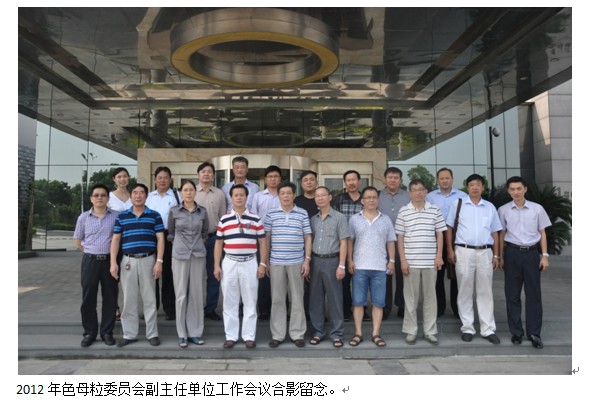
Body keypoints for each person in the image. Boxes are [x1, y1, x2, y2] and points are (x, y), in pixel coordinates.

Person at [446, 174, 503, 344]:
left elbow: (495, 231)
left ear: (483, 187)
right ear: (467, 187)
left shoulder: (490, 207)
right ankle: (467, 328)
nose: (475, 188)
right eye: (471, 185)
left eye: (478, 185)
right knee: (464, 290)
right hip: (464, 251)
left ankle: (487, 329)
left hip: (485, 252)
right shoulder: (458, 204)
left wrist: (496, 255)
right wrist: (450, 250)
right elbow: (449, 228)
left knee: (485, 291)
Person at [498, 176, 551, 349]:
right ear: (508, 191)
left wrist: (544, 255)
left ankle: (534, 333)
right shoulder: (503, 210)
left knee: (533, 294)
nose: (516, 192)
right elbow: (501, 234)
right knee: (512, 295)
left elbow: (542, 233)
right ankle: (516, 332)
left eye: (519, 188)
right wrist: (500, 257)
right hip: (512, 253)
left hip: (531, 254)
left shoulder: (537, 209)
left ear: (525, 189)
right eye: (512, 189)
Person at [110, 183, 165, 347]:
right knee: (129, 299)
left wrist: (159, 261)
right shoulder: (122, 216)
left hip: (149, 260)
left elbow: (160, 239)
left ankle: (152, 334)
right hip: (128, 261)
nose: (138, 195)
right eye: (135, 192)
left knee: (150, 299)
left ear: (146, 196)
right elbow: (116, 240)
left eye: (142, 192)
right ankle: (129, 334)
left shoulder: (154, 215)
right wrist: (113, 262)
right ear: (131, 195)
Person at [214, 184, 267, 349]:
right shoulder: (224, 219)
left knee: (250, 300)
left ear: (246, 197)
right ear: (231, 198)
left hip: (250, 262)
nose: (238, 197)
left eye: (241, 195)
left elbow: (262, 242)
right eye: (235, 195)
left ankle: (249, 336)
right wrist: (216, 265)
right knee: (230, 301)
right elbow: (218, 243)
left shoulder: (255, 218)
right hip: (229, 262)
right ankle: (231, 336)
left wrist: (262, 264)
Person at [395, 179, 446, 345]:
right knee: (410, 299)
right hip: (411, 262)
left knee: (431, 299)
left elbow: (440, 233)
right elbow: (400, 237)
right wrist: (403, 260)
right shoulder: (404, 211)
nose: (417, 192)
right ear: (409, 193)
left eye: (420, 189)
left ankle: (430, 331)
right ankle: (411, 331)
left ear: (426, 192)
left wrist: (439, 256)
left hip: (430, 262)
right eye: (414, 190)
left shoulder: (434, 209)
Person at [264, 181, 312, 348]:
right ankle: (277, 335)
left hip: (297, 262)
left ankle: (297, 334)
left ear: (294, 195)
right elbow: (267, 238)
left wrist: (307, 260)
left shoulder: (302, 213)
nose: (286, 196)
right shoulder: (271, 214)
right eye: (282, 193)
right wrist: (266, 261)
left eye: (289, 193)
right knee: (277, 299)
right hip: (276, 262)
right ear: (278, 196)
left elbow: (307, 237)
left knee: (297, 299)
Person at [347, 186, 396, 348]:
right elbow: (349, 241)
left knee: (378, 303)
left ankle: (376, 333)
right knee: (358, 302)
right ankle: (358, 333)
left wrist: (392, 261)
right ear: (362, 201)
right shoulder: (354, 219)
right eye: (368, 197)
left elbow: (391, 241)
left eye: (374, 197)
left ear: (378, 200)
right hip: (359, 267)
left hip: (380, 267)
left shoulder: (385, 219)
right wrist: (349, 260)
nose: (371, 200)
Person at [73, 184, 119, 347]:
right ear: (91, 198)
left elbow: (118, 239)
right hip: (90, 261)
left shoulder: (116, 216)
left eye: (103, 195)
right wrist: (89, 252)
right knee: (88, 298)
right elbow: (78, 240)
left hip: (109, 261)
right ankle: (89, 332)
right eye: (96, 195)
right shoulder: (84, 217)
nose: (100, 198)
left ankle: (107, 332)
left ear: (108, 198)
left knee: (110, 298)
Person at [168, 180, 208, 348]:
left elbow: (205, 233)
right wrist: (181, 245)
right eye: (185, 190)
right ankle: (182, 334)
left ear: (195, 192)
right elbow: (171, 233)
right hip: (180, 255)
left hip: (198, 254)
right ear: (181, 193)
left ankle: (195, 332)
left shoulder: (202, 211)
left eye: (191, 190)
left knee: (197, 294)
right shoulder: (174, 211)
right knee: (181, 294)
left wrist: (195, 244)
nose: (189, 193)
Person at [308, 186, 349, 348]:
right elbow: (309, 241)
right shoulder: (313, 219)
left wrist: (342, 265)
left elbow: (344, 242)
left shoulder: (339, 217)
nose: (320, 198)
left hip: (333, 261)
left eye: (323, 195)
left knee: (335, 299)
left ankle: (337, 333)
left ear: (330, 197)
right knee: (315, 299)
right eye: (317, 196)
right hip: (315, 261)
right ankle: (318, 332)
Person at [426, 167, 468, 317]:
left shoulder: (462, 196)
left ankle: (457, 308)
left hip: (456, 237)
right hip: (435, 237)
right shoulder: (429, 197)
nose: (444, 181)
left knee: (457, 273)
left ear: (452, 179)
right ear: (437, 180)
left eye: (447, 178)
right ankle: (440, 307)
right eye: (442, 178)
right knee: (437, 274)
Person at [146, 166, 181, 321]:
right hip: (150, 236)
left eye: (165, 177)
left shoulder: (177, 196)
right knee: (150, 273)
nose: (162, 180)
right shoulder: (148, 197)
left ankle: (169, 308)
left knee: (168, 273)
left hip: (169, 236)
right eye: (159, 178)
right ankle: (151, 307)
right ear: (155, 180)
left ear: (170, 179)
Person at [195, 162, 227, 322]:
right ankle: (194, 307)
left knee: (214, 274)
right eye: (203, 171)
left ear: (213, 175)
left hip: (214, 238)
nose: (206, 174)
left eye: (209, 172)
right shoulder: (191, 191)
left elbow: (223, 217)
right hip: (195, 239)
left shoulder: (219, 194)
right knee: (195, 275)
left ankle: (210, 308)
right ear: (198, 174)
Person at [378, 167, 410, 319]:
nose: (392, 180)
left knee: (403, 274)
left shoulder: (407, 196)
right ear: (385, 179)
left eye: (396, 178)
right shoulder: (378, 195)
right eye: (390, 177)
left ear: (400, 180)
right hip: (382, 242)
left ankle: (402, 305)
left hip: (403, 240)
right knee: (385, 275)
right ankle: (385, 307)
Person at [250, 165, 282, 321]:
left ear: (280, 179)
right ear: (265, 179)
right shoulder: (258, 196)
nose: (273, 179)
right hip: (261, 239)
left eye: (276, 176)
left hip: (282, 239)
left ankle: (281, 309)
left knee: (280, 275)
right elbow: (254, 217)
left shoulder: (284, 195)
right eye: (270, 177)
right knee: (263, 274)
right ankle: (263, 310)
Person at [332, 170, 364, 321]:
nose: (351, 183)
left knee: (360, 281)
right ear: (345, 183)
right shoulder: (339, 200)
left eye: (354, 180)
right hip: (343, 246)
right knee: (344, 282)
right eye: (348, 180)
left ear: (359, 182)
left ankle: (361, 309)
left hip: (362, 246)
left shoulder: (366, 199)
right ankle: (345, 310)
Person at [107, 167, 132, 321]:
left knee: (129, 277)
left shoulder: (133, 195)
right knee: (113, 277)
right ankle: (114, 307)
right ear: (114, 179)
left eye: (125, 176)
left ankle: (129, 308)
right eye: (119, 177)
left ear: (129, 178)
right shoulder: (109, 197)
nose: (122, 179)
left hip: (131, 241)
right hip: (114, 240)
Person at [294, 169, 319, 320]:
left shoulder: (321, 199)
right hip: (299, 248)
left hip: (320, 248)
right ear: (301, 184)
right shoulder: (296, 201)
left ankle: (315, 313)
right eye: (305, 180)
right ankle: (300, 313)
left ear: (316, 182)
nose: (309, 182)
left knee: (315, 284)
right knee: (299, 283)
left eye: (312, 179)